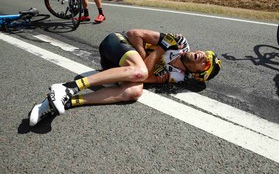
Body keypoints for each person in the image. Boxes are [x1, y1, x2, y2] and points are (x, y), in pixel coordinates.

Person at [29, 29, 221, 126]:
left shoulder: (177, 77)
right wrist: (153, 53)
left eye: (207, 63)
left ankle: (68, 100)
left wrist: (146, 63)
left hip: (118, 67)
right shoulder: (178, 43)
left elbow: (144, 79)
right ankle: (69, 86)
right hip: (115, 43)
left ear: (197, 74)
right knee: (141, 71)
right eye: (207, 53)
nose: (204, 55)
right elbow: (133, 33)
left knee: (134, 91)